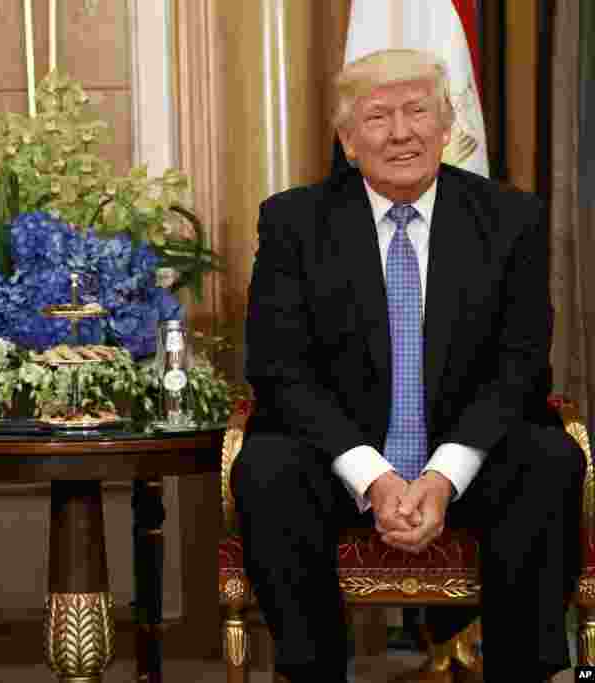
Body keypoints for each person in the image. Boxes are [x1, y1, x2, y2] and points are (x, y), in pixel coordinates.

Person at [232, 49, 583, 683]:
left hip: (469, 457)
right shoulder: (294, 222)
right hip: (340, 459)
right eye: (378, 117)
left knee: (549, 460)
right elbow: (280, 368)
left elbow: (521, 365)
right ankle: (312, 674)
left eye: (419, 111)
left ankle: (524, 673)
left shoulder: (510, 219)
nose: (402, 132)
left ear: (447, 125)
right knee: (267, 467)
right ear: (346, 138)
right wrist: (375, 477)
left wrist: (444, 475)